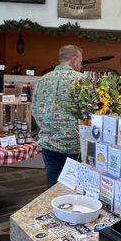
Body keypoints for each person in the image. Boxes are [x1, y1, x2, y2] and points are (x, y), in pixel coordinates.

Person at [32, 45, 84, 187]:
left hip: (49, 142)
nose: (80, 65)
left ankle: (52, 207)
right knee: (74, 186)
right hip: (75, 144)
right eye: (80, 62)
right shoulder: (82, 80)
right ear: (74, 60)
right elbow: (89, 112)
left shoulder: (43, 80)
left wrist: (47, 129)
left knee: (52, 184)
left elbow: (34, 109)